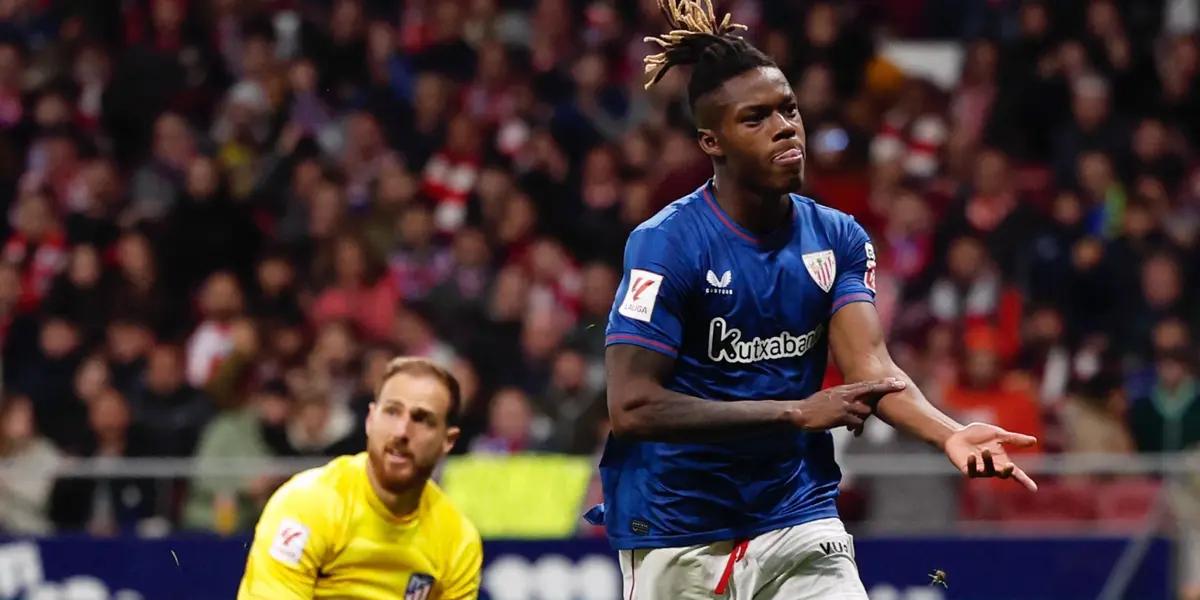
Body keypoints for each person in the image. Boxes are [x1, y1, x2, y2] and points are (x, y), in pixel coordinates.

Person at [590, 2, 1039, 598]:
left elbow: (870, 367)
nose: (785, 128)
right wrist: (795, 412)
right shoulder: (666, 244)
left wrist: (947, 433)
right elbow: (633, 407)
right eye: (756, 118)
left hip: (796, 513)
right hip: (679, 526)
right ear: (711, 141)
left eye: (789, 109)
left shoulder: (837, 236)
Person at [237, 357, 481, 599]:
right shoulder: (307, 504)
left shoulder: (458, 541)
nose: (401, 431)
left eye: (422, 419)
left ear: (448, 440)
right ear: (370, 420)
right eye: (392, 412)